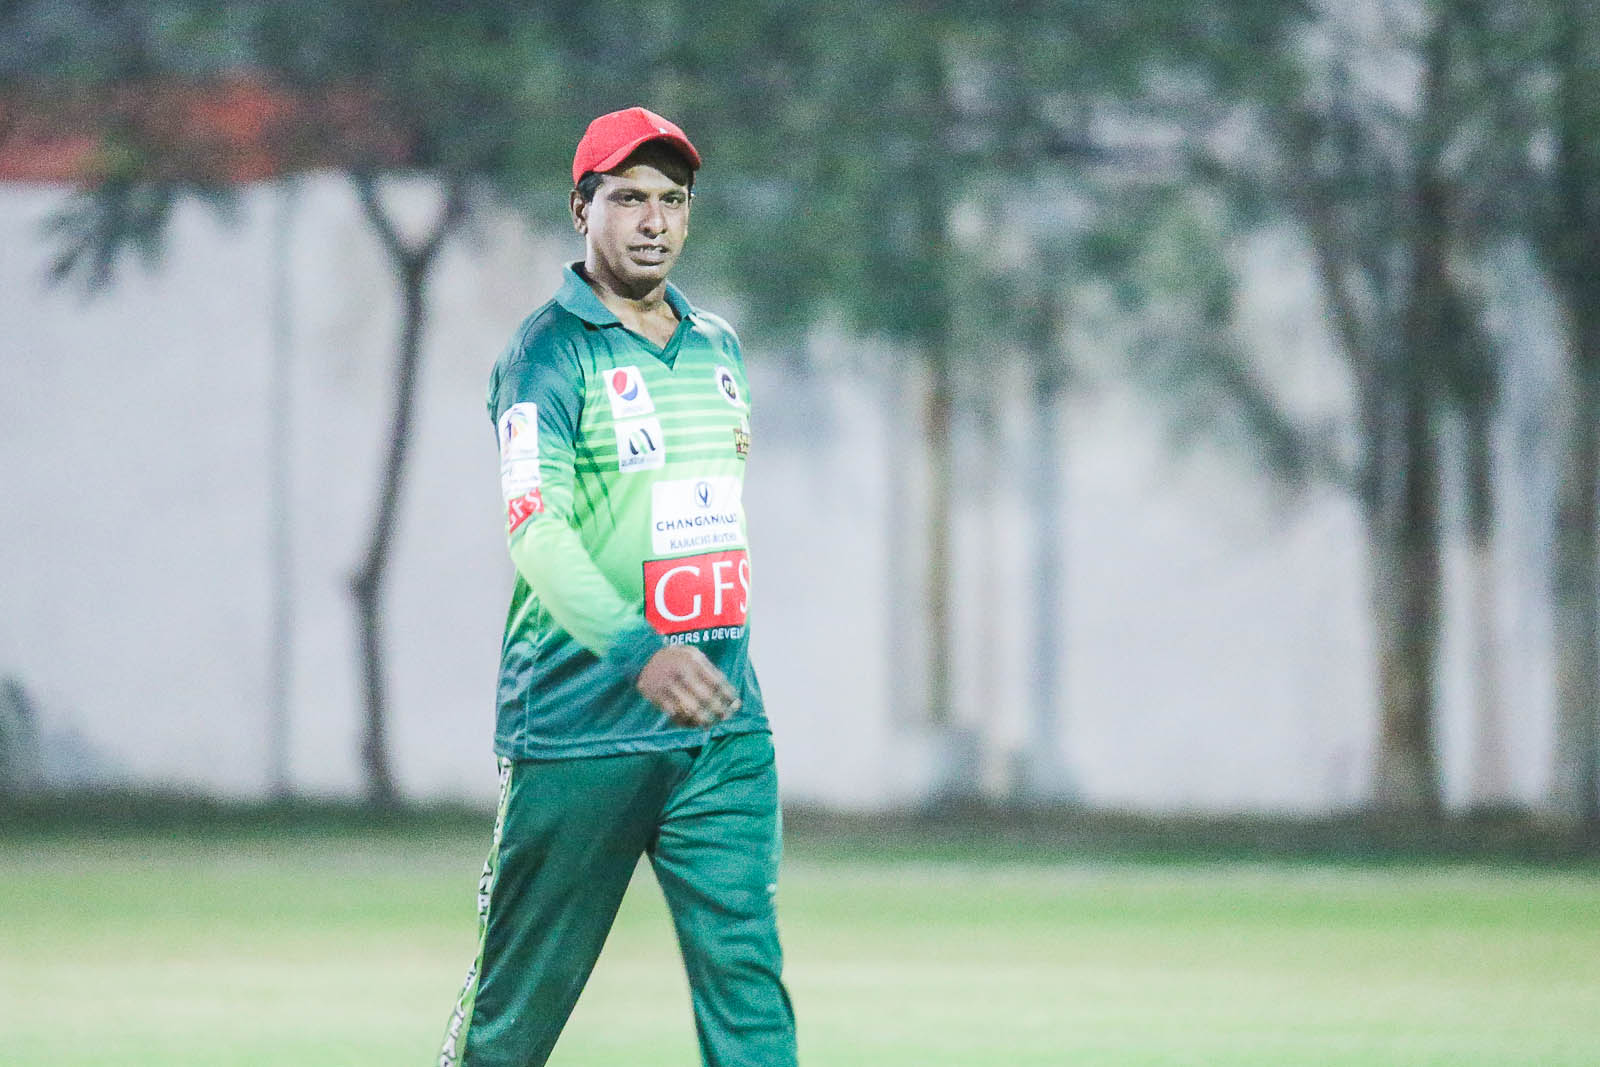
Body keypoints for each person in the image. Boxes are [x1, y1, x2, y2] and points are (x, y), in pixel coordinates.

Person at [438, 106, 797, 1067]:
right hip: (581, 728)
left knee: (749, 990)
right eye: (629, 198)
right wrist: (641, 650)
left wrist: (706, 662)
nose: (653, 221)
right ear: (581, 209)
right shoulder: (548, 353)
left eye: (672, 200)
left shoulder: (717, 346)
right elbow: (536, 532)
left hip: (719, 728)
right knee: (516, 1013)